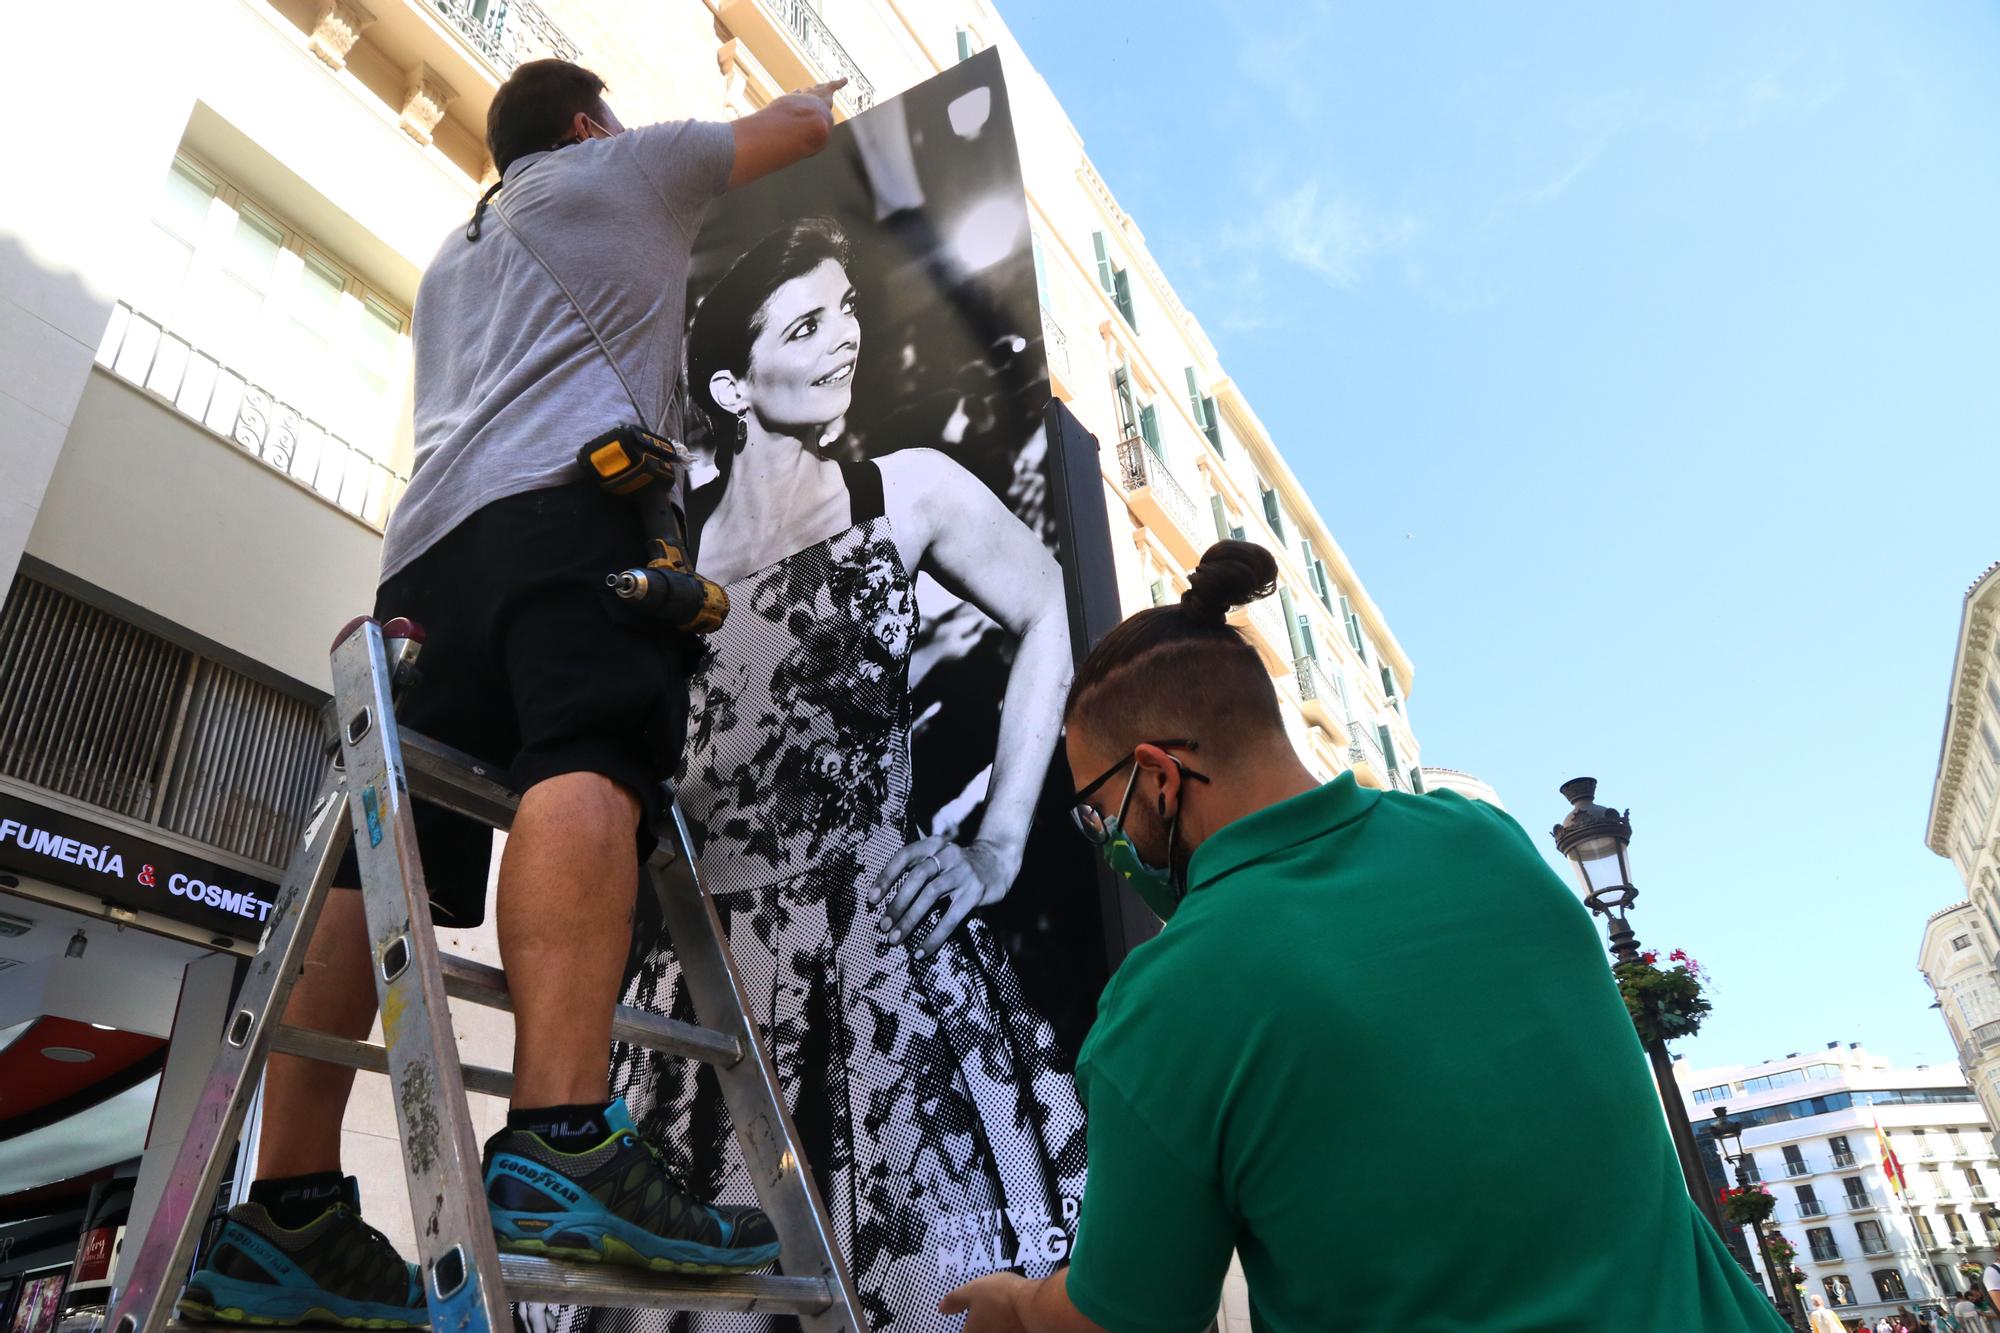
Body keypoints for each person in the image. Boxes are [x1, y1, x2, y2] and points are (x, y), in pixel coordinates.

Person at [176, 60, 846, 1329]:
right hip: (565, 518)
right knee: (587, 750)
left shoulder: (452, 255)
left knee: (390, 862)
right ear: (590, 121)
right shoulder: (626, 167)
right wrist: (810, 87)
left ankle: (294, 1207)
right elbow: (801, 125)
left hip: (426, 558)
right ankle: (559, 1135)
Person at [938, 541, 1789, 1331]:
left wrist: (1018, 1305)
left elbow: (1126, 1317)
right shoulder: (1483, 836)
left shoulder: (1168, 998)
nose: (1107, 841)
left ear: (1159, 778)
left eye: (1099, 811)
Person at [564, 216, 1083, 1332]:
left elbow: (1049, 605)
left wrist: (995, 842)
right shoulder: (671, 555)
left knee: (929, 1291)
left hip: (880, 955)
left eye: (844, 309)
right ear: (735, 387)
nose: (844, 340)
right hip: (706, 981)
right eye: (808, 325)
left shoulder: (908, 489)